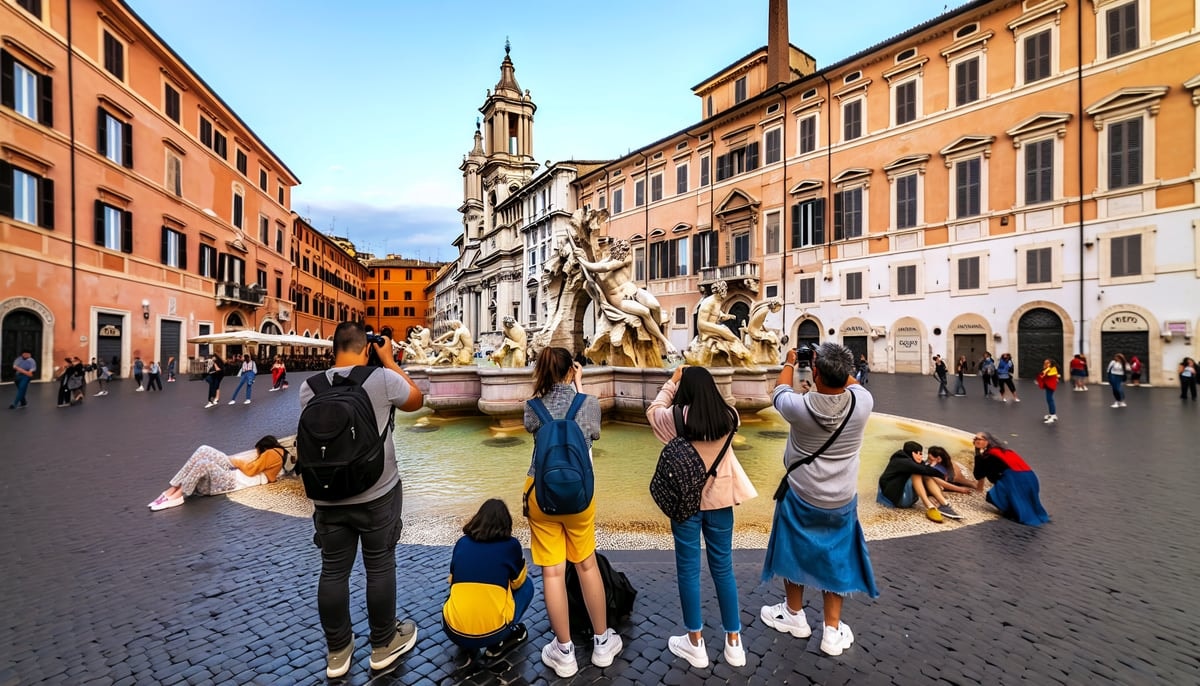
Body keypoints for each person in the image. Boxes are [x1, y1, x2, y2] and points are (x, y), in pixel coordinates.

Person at [301, 321, 425, 678]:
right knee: (379, 566)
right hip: (377, 494)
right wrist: (389, 360)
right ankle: (383, 643)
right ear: (367, 347)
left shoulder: (309, 388)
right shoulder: (382, 379)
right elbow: (416, 399)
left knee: (333, 570)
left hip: (327, 497)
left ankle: (338, 652)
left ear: (333, 348)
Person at [760, 343, 877, 658]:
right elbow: (848, 381)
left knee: (793, 550)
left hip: (800, 493)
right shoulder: (862, 402)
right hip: (840, 499)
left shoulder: (798, 407)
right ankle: (832, 630)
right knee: (836, 558)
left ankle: (793, 613)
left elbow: (779, 389)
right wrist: (831, 366)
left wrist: (789, 362)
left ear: (815, 372)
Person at [647, 365, 757, 669]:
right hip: (721, 501)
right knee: (724, 569)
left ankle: (695, 642)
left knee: (688, 570)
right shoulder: (730, 416)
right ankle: (734, 642)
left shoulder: (675, 417)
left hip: (686, 502)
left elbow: (653, 410)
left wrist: (672, 382)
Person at [523, 346, 622, 678]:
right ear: (571, 370)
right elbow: (593, 433)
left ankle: (564, 651)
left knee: (552, 572)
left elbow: (533, 427)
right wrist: (579, 387)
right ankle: (602, 642)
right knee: (586, 564)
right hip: (579, 493)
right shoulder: (589, 403)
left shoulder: (532, 407)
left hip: (541, 492)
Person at [442, 499, 533, 661]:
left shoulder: (462, 543)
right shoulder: (511, 545)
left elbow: (452, 579)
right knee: (528, 586)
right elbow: (518, 583)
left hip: (453, 631)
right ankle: (503, 638)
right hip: (493, 633)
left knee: (456, 591)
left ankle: (467, 636)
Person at [146, 435, 287, 511]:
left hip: (234, 480)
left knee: (203, 463)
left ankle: (177, 495)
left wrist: (237, 462)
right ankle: (172, 489)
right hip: (234, 475)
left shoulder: (271, 454)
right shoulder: (275, 454)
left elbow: (251, 470)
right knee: (203, 450)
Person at [971, 432, 1049, 526]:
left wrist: (977, 454)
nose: (976, 441)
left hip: (1015, 480)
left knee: (993, 496)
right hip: (1030, 478)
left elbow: (978, 474)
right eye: (975, 439)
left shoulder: (990, 455)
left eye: (979, 439)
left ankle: (1013, 512)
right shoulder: (1005, 451)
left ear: (988, 441)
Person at [876, 441, 962, 522]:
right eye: (920, 454)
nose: (921, 457)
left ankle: (944, 504)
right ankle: (929, 506)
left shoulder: (913, 462)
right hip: (895, 499)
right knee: (917, 473)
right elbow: (921, 469)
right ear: (913, 453)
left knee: (924, 474)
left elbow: (926, 470)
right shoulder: (901, 461)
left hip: (904, 498)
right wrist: (942, 475)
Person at [1036, 359, 1060, 424]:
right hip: (1048, 386)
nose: (1046, 364)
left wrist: (1045, 372)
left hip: (1051, 386)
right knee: (1049, 400)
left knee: (1050, 400)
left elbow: (1049, 375)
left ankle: (1053, 415)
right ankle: (1051, 414)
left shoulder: (1053, 368)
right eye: (1045, 363)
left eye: (1048, 363)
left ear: (1051, 363)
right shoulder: (1048, 368)